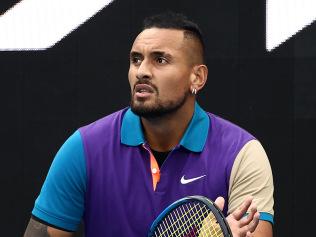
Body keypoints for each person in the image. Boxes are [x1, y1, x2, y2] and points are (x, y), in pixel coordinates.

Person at [24, 11, 274, 237]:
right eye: (136, 59)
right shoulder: (83, 148)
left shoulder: (243, 153)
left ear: (197, 77)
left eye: (160, 60)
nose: (142, 71)